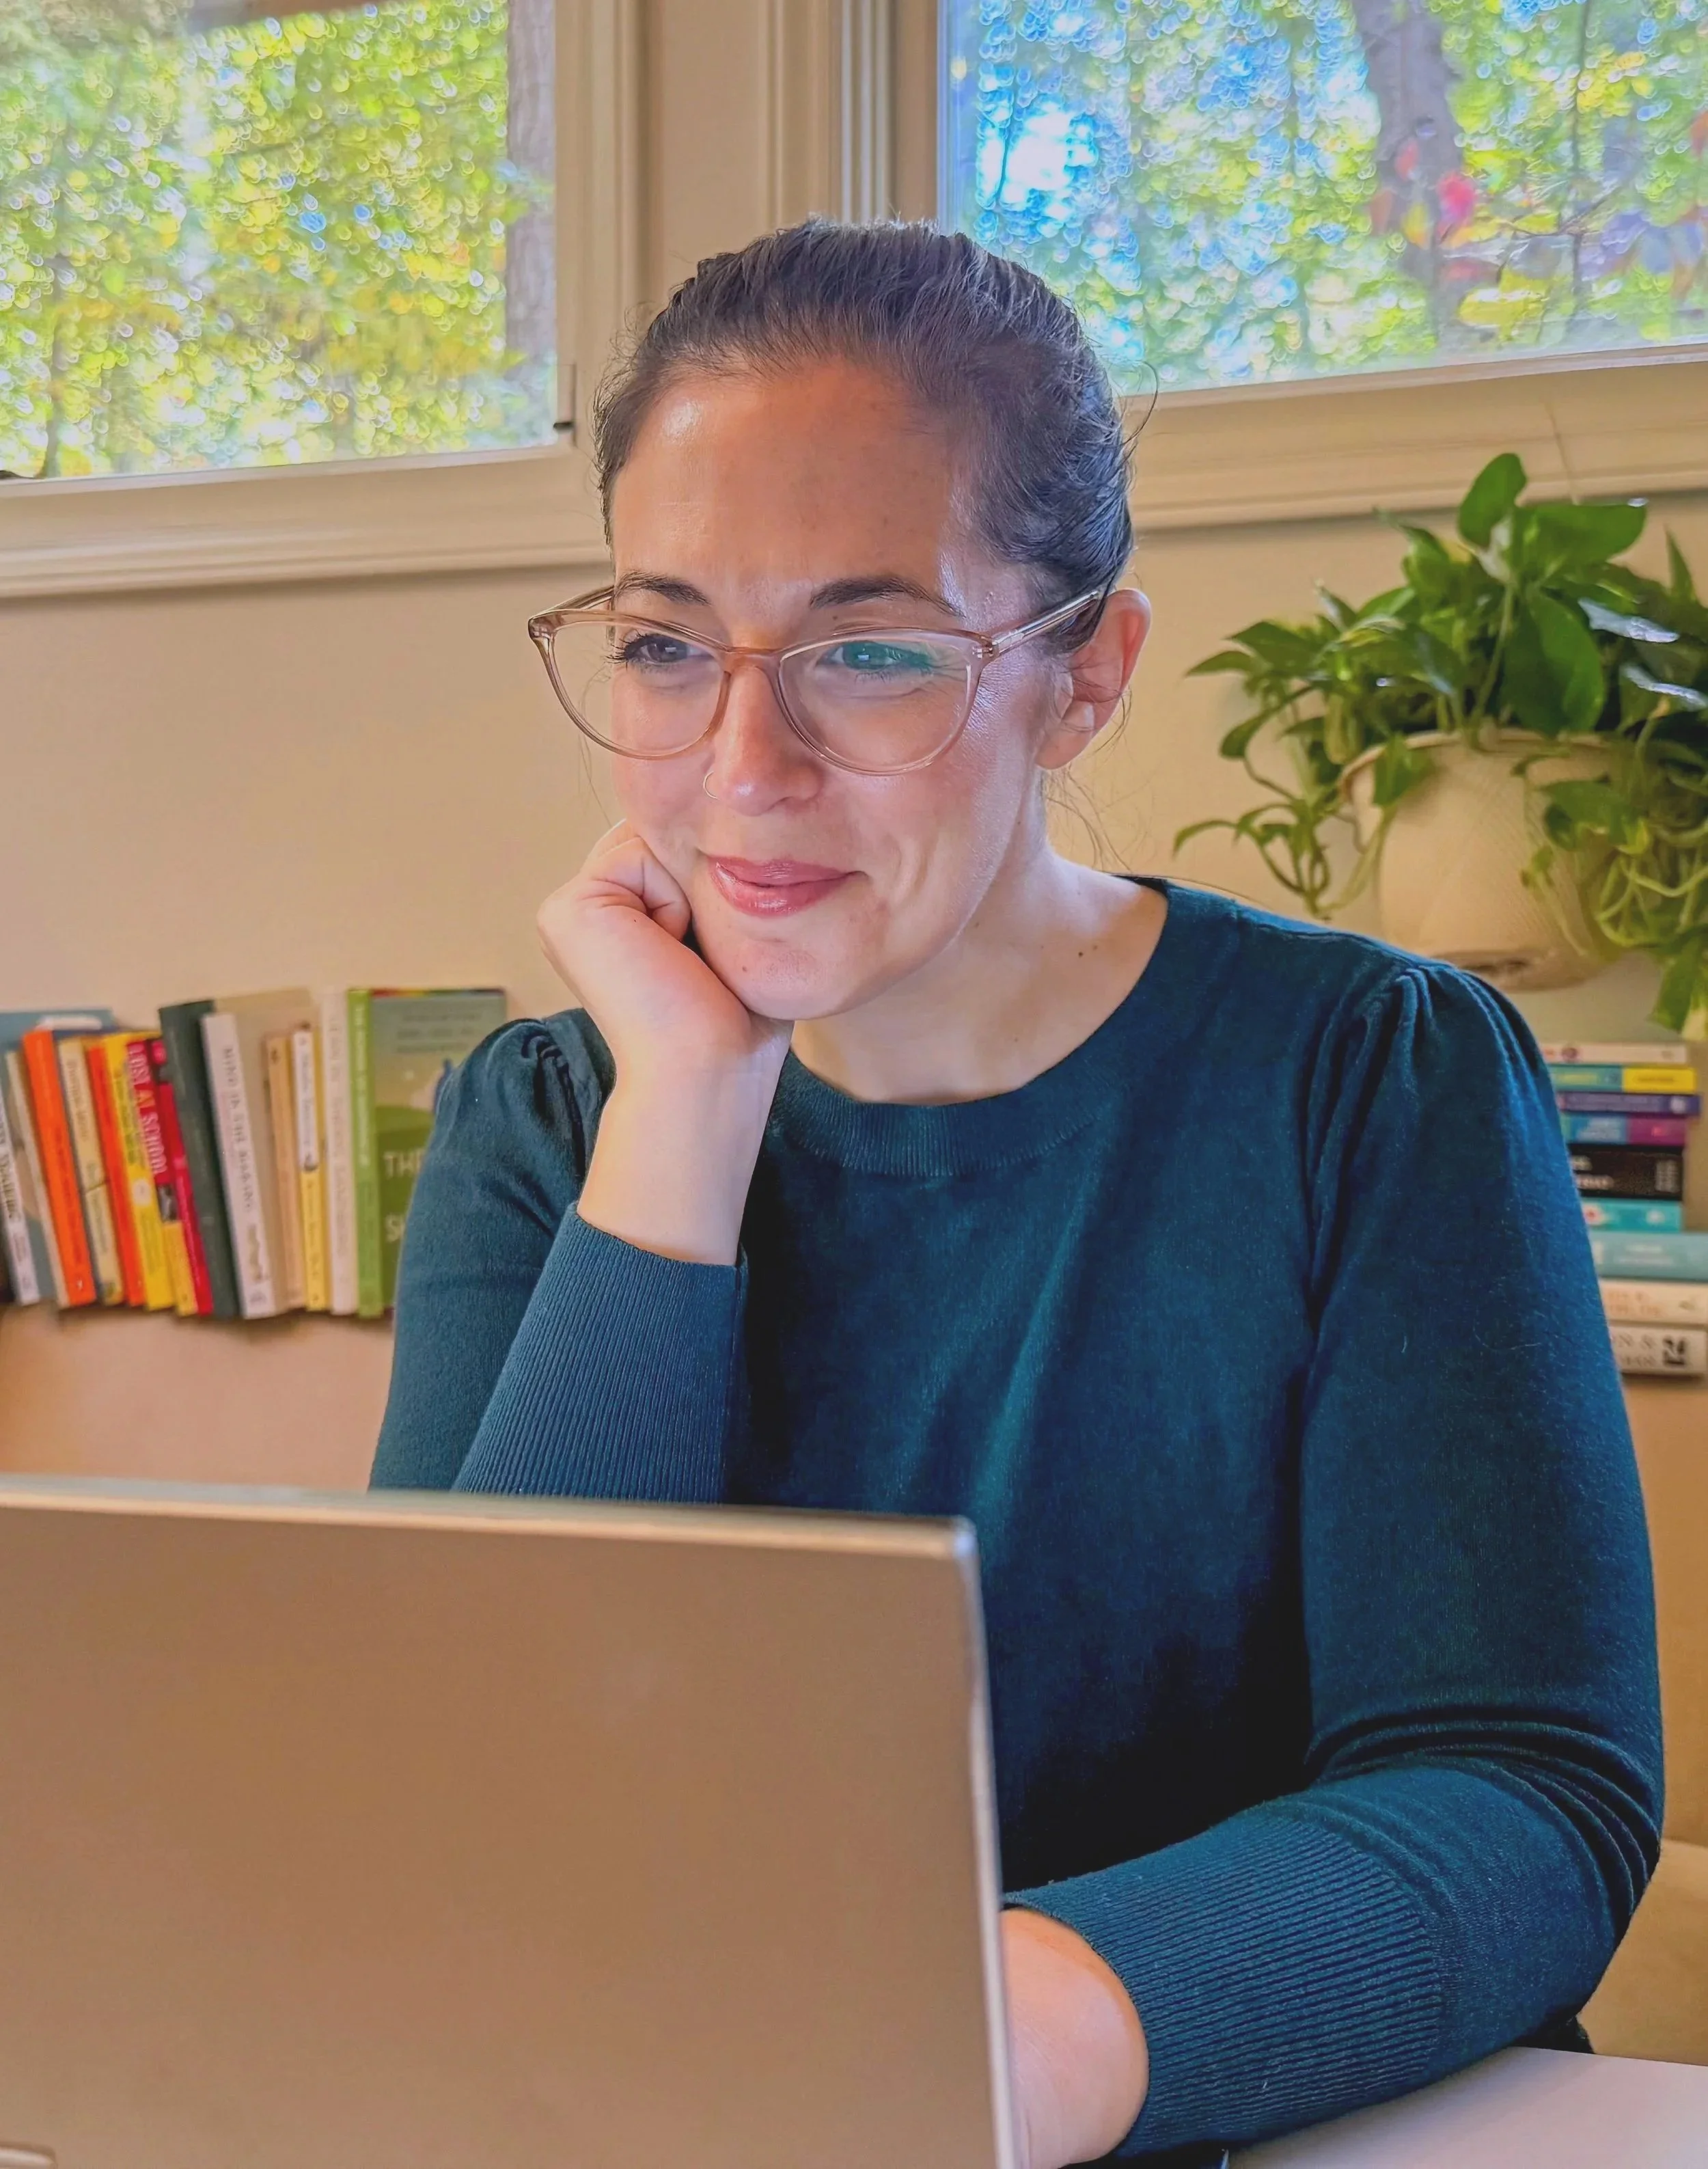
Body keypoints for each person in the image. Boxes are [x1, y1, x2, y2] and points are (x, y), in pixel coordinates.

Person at [371, 221, 1662, 2166]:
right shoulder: (544, 1118)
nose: (741, 773)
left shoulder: (1366, 1073)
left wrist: (996, 2035)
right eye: (661, 645)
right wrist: (686, 1123)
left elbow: (1517, 1784)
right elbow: (461, 1811)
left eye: (867, 649)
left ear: (1082, 677)